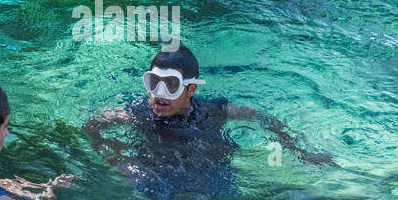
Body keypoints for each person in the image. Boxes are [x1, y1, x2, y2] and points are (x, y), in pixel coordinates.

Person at [82, 43, 336, 169]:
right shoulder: (135, 112)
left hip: (208, 170)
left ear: (191, 89)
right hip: (159, 171)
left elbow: (261, 118)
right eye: (153, 83)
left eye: (170, 85)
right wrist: (118, 159)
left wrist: (301, 150)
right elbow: (90, 125)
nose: (158, 95)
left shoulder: (214, 111)